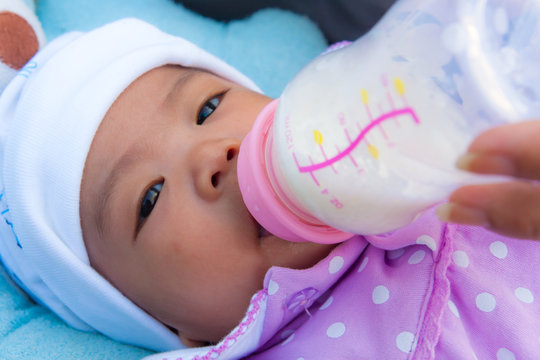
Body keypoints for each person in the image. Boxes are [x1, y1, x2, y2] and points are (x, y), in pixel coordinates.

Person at [0, 17, 539, 360]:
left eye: (208, 108)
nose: (214, 153)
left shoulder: (396, 113)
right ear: (175, 327)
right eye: (149, 197)